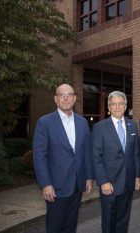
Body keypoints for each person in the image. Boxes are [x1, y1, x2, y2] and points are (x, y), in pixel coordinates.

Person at [33, 84, 93, 233]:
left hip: (77, 186)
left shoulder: (82, 122)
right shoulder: (44, 123)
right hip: (55, 187)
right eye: (62, 95)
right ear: (56, 99)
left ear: (74, 99)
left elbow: (86, 152)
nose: (65, 98)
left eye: (69, 95)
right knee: (55, 226)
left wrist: (88, 177)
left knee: (70, 226)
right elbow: (39, 156)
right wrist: (45, 183)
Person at [92, 91, 140, 233]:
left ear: (125, 106)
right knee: (109, 221)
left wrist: (137, 176)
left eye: (121, 104)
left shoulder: (132, 125)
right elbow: (96, 157)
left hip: (128, 181)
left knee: (123, 219)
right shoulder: (100, 127)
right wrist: (103, 181)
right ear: (109, 107)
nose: (117, 107)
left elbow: (136, 154)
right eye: (114, 104)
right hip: (110, 183)